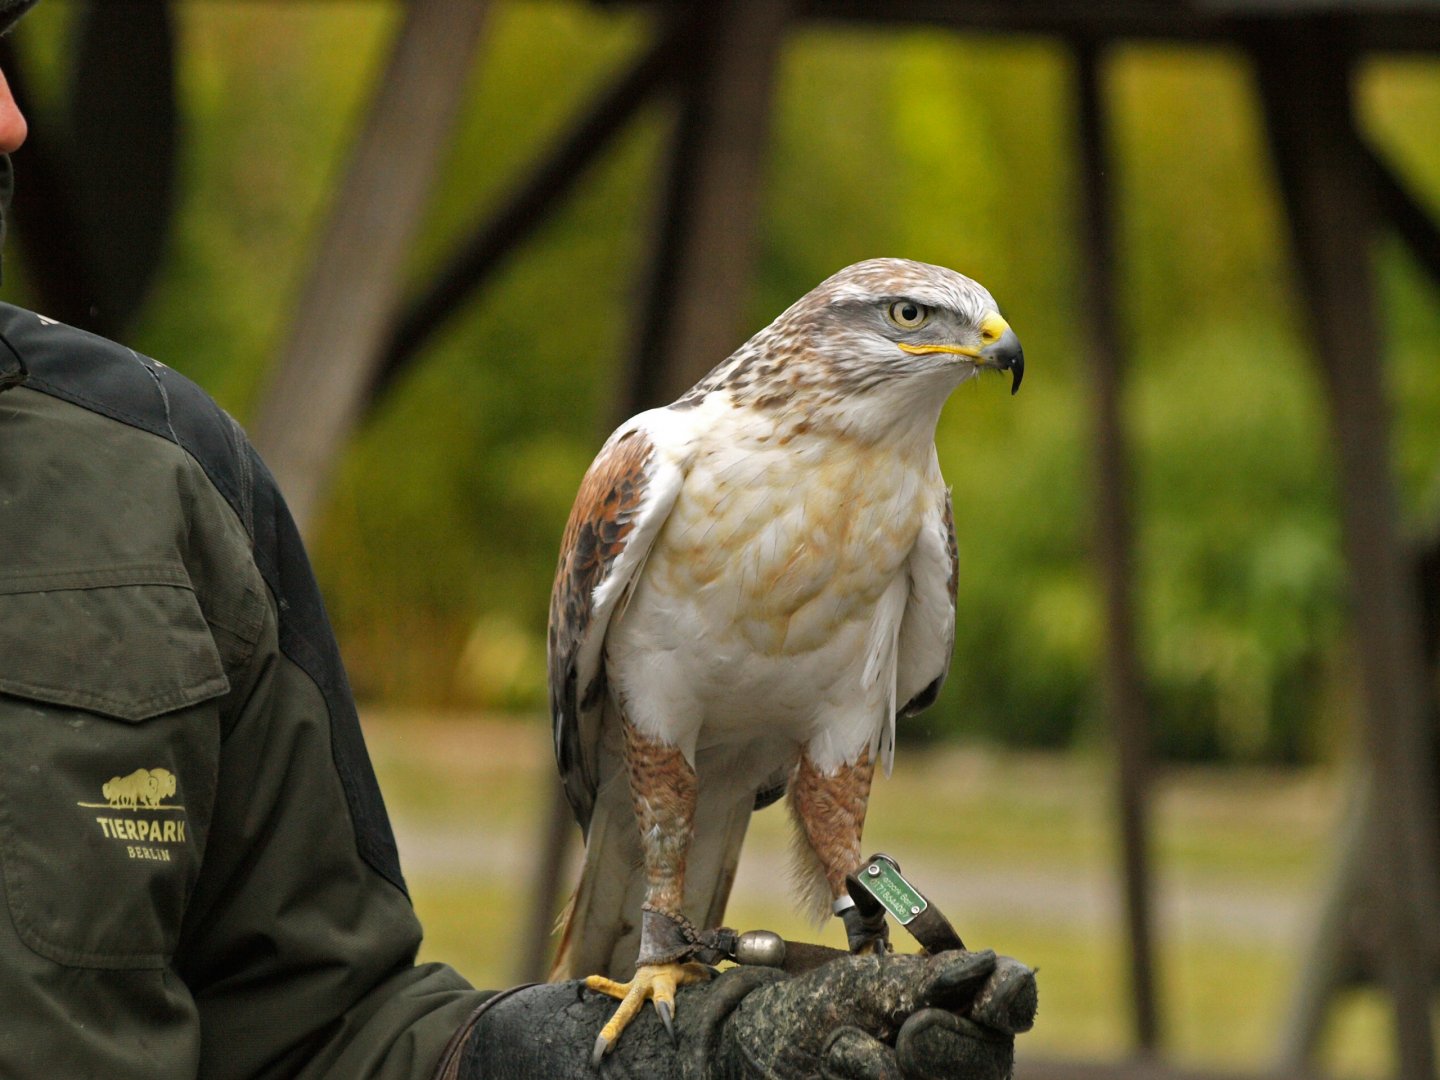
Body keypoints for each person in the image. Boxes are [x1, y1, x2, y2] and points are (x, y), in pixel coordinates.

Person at [0, 2, 1034, 1077]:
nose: (16, 120)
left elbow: (305, 1026)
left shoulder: (160, 472)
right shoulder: (665, 463)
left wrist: (535, 1062)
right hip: (656, 796)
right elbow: (633, 759)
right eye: (921, 320)